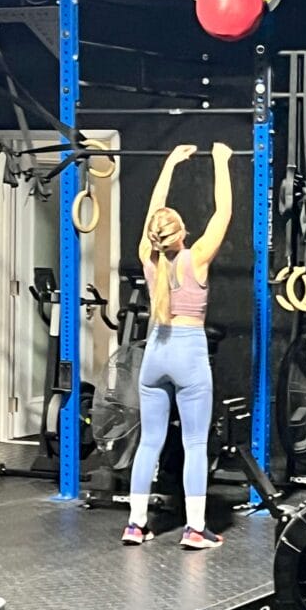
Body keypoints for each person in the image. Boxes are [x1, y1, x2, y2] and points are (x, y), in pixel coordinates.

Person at [122, 141, 233, 549]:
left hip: (155, 350)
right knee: (194, 444)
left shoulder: (146, 257)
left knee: (149, 441)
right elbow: (224, 213)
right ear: (182, 233)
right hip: (187, 352)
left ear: (153, 235)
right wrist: (221, 163)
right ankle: (195, 529)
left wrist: (168, 163)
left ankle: (135, 525)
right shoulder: (197, 256)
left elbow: (155, 211)